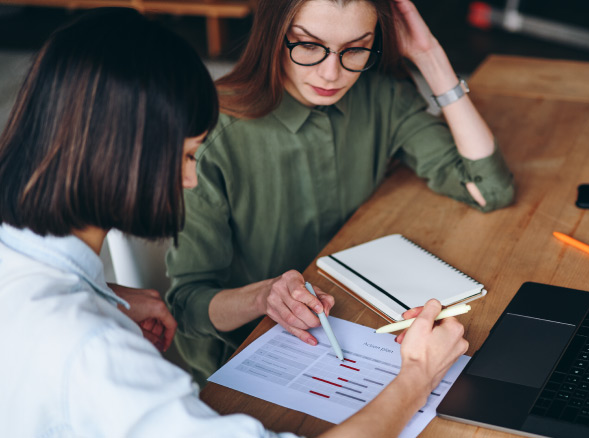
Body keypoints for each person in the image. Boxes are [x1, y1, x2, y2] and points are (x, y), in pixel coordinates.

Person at [0, 9, 467, 437]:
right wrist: (417, 377)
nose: (188, 179)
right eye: (185, 156)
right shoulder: (94, 349)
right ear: (117, 151)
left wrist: (105, 294)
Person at [166, 0, 514, 382]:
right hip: (246, 358)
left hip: (360, 323)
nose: (332, 73)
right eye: (308, 45)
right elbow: (187, 305)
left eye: (355, 48)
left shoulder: (382, 94)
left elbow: (489, 189)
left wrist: (429, 55)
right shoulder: (208, 135)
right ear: (273, 36)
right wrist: (263, 297)